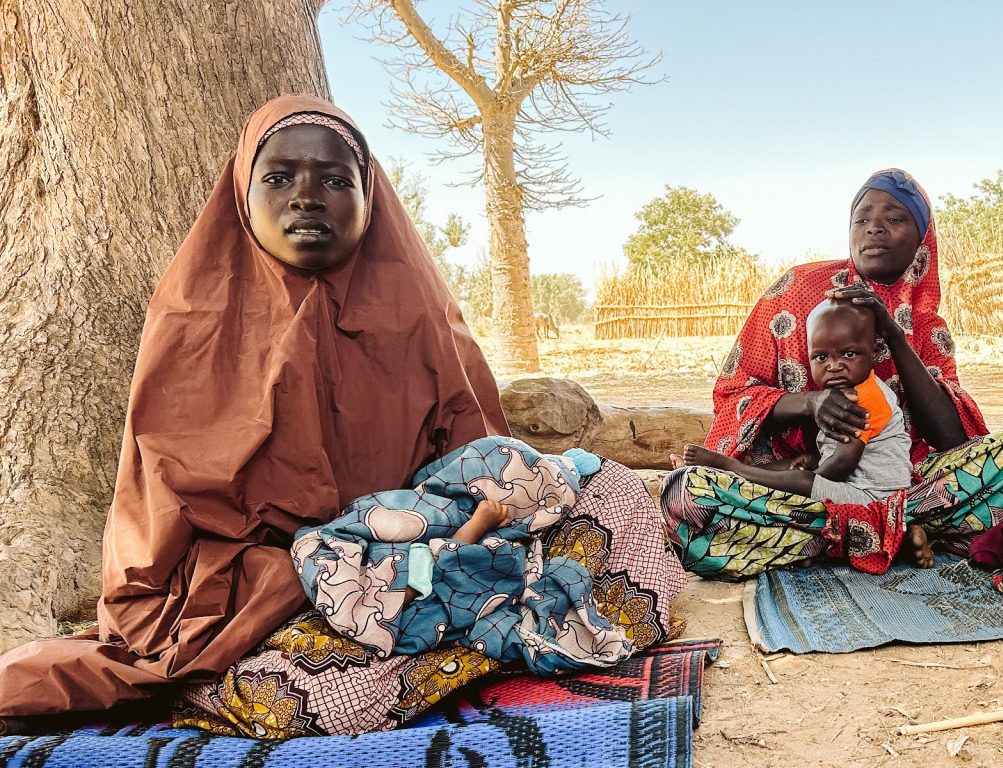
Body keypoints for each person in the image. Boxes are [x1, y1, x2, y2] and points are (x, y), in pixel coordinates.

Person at [0, 96, 685, 739]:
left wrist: (456, 546)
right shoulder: (192, 322)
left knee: (615, 491)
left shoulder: (418, 310)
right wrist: (325, 564)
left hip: (421, 553)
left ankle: (461, 628)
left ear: (369, 197)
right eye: (279, 177)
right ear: (243, 195)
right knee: (310, 689)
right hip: (279, 591)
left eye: (334, 180)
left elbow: (481, 464)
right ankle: (465, 640)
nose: (306, 196)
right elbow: (154, 520)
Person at [661, 168, 1003, 580]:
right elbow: (733, 395)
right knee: (686, 495)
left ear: (922, 241)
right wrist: (809, 403)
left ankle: (846, 536)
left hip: (916, 491)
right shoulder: (795, 292)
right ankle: (888, 535)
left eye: (895, 218)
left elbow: (952, 439)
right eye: (863, 219)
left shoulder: (926, 328)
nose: (875, 229)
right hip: (801, 488)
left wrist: (892, 334)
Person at [291, 437, 633, 674]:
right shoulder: (430, 507)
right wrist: (477, 523)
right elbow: (430, 565)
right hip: (383, 581)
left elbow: (438, 563)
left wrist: (481, 527)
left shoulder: (501, 529)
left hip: (407, 582)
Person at [672, 299, 912, 510]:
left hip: (875, 498)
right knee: (791, 466)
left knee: (801, 481)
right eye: (821, 357)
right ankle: (713, 473)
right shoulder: (849, 390)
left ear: (875, 351)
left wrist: (810, 480)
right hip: (855, 485)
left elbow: (841, 464)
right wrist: (813, 461)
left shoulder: (866, 398)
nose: (834, 366)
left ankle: (731, 468)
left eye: (849, 354)